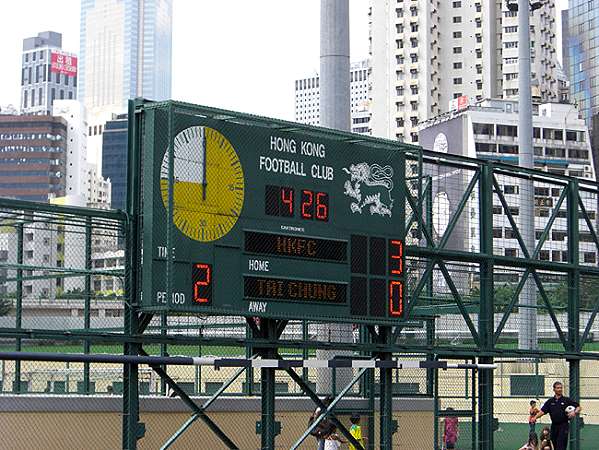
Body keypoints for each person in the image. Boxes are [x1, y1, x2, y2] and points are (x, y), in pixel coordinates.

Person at [534, 381, 581, 450]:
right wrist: (535, 417)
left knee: (561, 445)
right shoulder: (550, 401)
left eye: (561, 388)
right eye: (558, 388)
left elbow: (578, 407)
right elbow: (543, 411)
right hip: (554, 426)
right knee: (554, 445)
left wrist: (574, 412)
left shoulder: (566, 400)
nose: (560, 389)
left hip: (563, 426)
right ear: (554, 389)